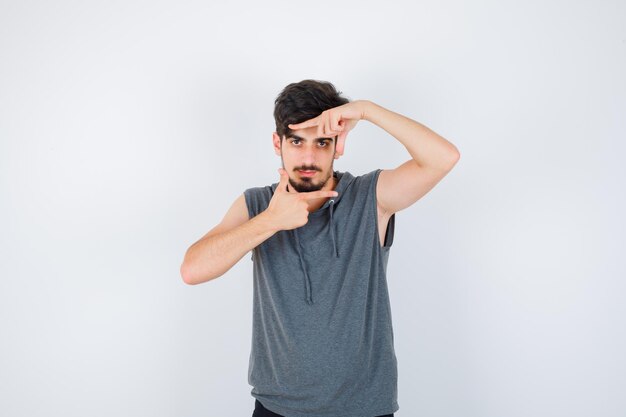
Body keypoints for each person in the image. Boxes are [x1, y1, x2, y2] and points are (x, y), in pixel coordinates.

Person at [180, 79, 460, 417]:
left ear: (337, 146)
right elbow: (192, 270)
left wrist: (366, 110)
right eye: (297, 141)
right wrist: (271, 221)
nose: (309, 157)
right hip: (276, 408)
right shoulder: (257, 204)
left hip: (364, 409)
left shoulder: (370, 197)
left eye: (322, 142)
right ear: (277, 142)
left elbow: (443, 158)